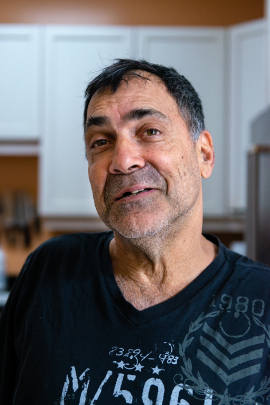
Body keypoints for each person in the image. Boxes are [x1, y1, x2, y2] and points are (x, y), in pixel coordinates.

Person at [0, 59, 270, 405]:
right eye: (100, 141)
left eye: (150, 131)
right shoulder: (49, 269)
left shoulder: (262, 297)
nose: (122, 160)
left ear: (203, 154)